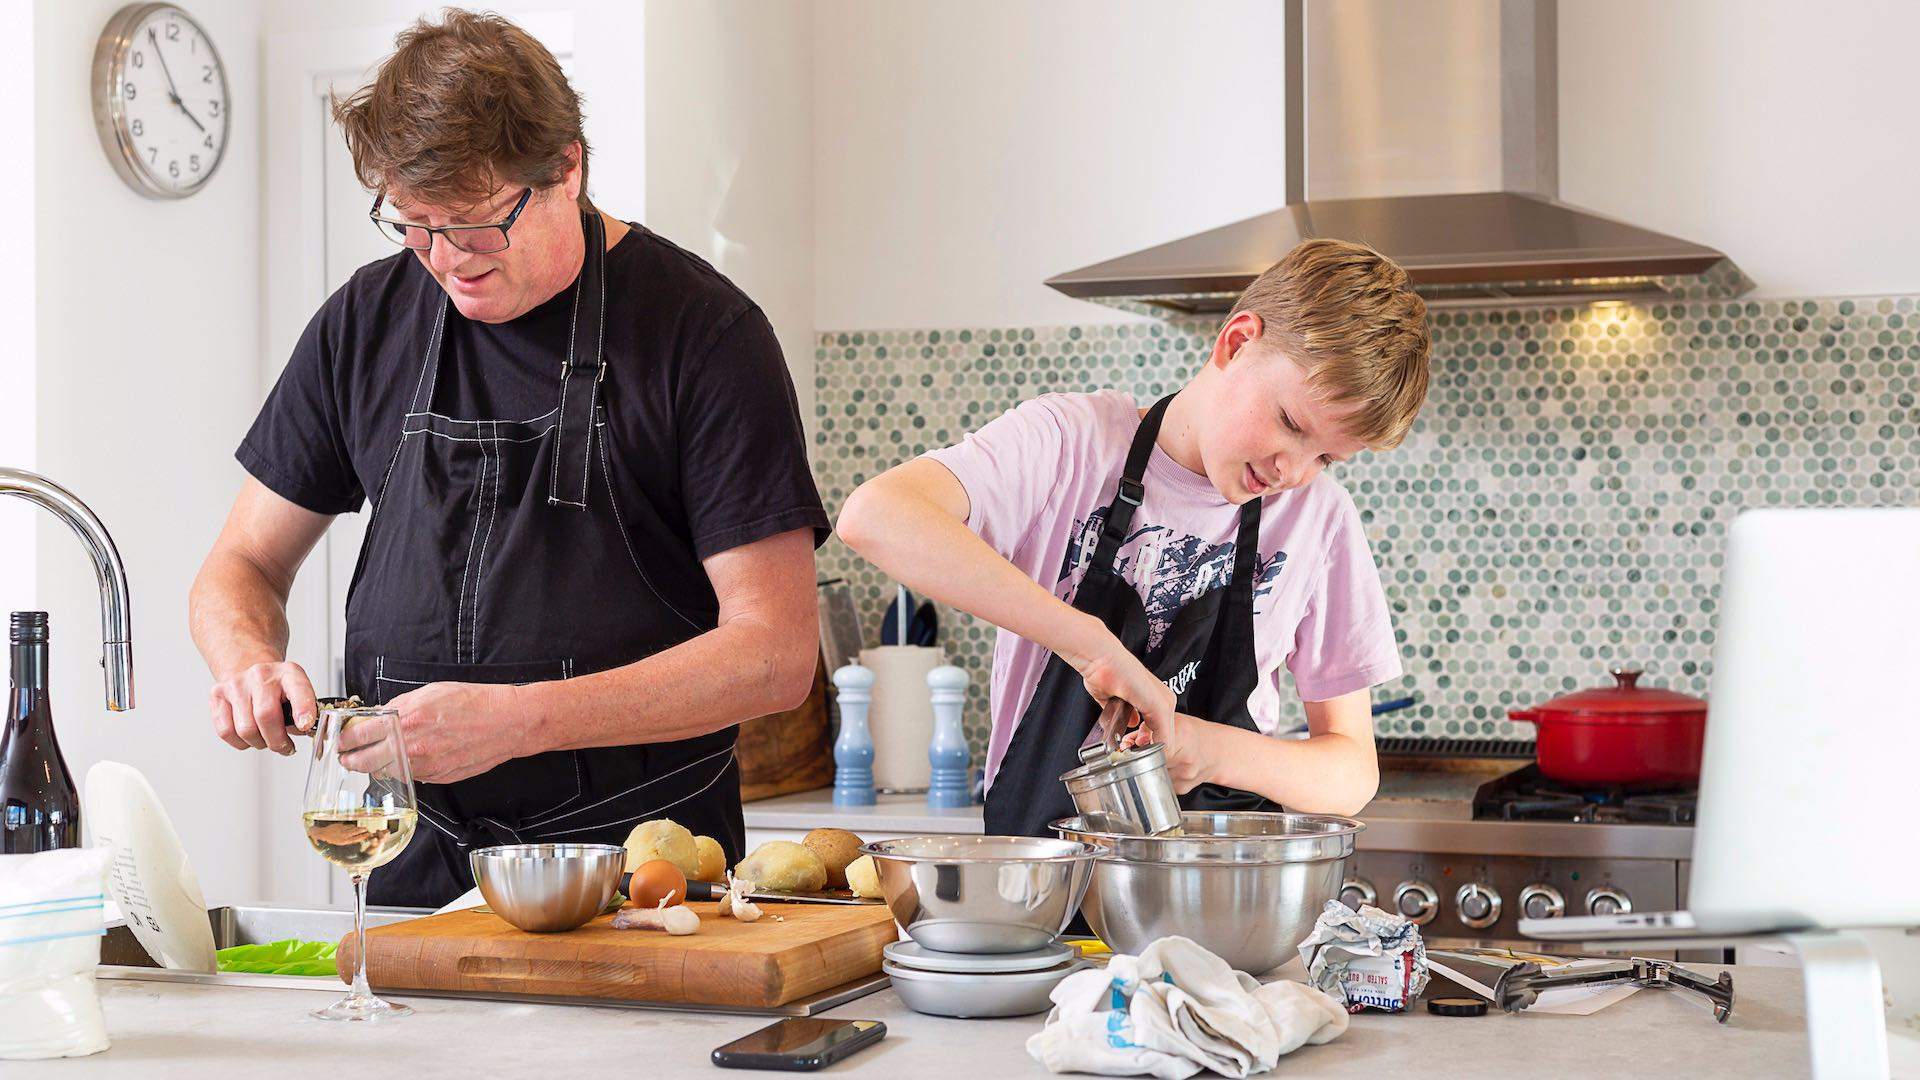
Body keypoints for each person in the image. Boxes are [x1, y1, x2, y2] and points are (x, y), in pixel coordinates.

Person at [188, 11, 826, 905]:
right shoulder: (363, 322)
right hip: (409, 854)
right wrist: (247, 660)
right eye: (413, 224)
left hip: (639, 872)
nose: (447, 259)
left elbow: (774, 653)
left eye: (479, 222)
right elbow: (241, 565)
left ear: (568, 166)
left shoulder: (707, 336)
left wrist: (519, 723)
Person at [838, 239, 1430, 836]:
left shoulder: (1316, 518)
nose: (1291, 471)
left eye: (1326, 457)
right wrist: (1091, 646)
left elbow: (1353, 771)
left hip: (1218, 901)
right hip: (1045, 897)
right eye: (1291, 423)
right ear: (1236, 342)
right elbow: (876, 514)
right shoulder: (1069, 444)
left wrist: (1201, 748)